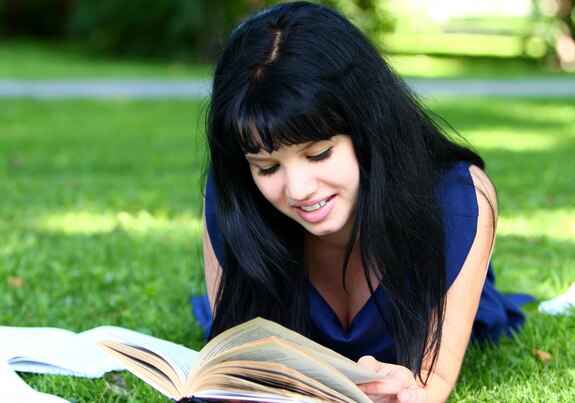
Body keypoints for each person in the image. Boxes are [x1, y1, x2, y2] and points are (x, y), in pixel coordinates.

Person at [192, 2, 527, 402]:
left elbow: (429, 383)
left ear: (369, 127)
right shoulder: (235, 198)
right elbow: (236, 363)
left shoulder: (456, 202)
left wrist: (404, 391)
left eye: (319, 154)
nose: (299, 189)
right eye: (267, 167)